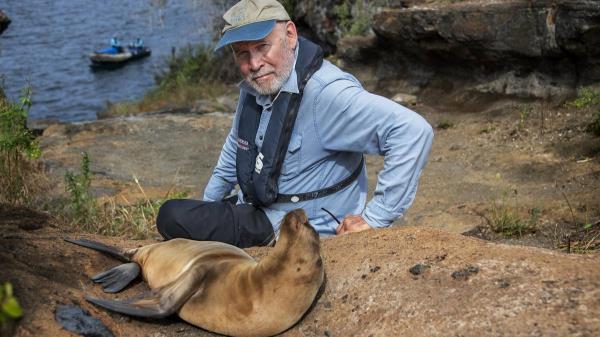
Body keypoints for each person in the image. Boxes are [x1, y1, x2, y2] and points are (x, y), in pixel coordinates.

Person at [156, 0, 434, 248]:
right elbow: (235, 149)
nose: (254, 63)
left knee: (171, 215)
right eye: (242, 53)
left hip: (291, 225)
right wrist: (209, 205)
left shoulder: (325, 94)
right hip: (258, 203)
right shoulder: (257, 86)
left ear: (290, 35)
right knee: (191, 213)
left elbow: (412, 132)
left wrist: (374, 219)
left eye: (262, 46)